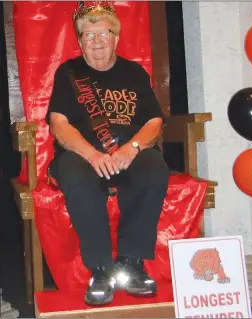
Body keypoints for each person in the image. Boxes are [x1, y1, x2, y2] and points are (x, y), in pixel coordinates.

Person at [45, 1, 169, 306]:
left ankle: (132, 262)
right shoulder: (69, 73)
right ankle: (100, 269)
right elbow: (59, 125)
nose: (97, 41)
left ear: (116, 36)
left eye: (103, 33)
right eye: (88, 35)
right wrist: (92, 155)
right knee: (75, 177)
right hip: (83, 155)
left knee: (155, 169)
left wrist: (133, 147)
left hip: (129, 152)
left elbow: (154, 122)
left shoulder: (134, 73)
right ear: (80, 41)